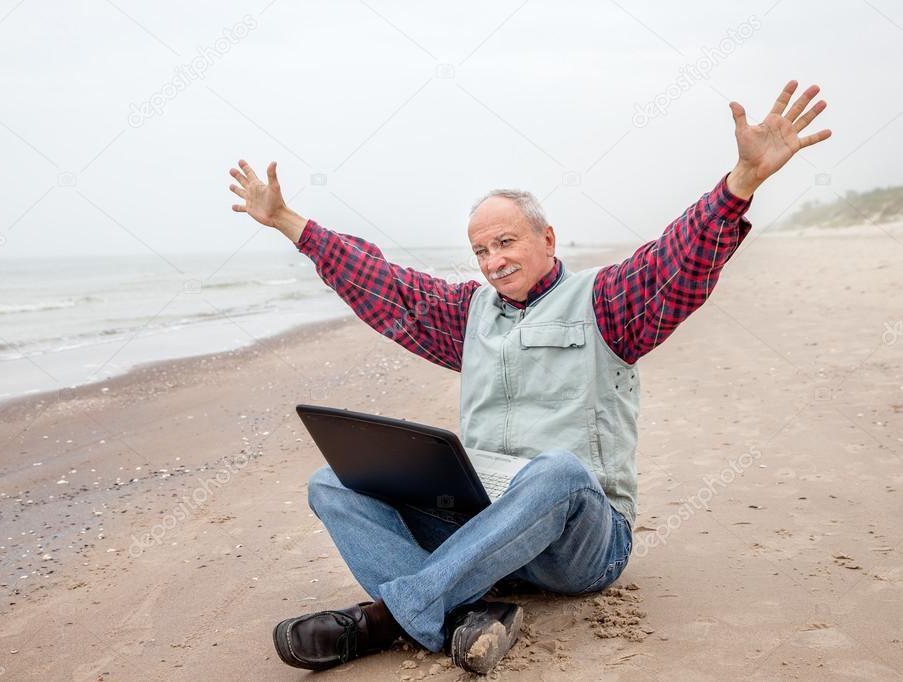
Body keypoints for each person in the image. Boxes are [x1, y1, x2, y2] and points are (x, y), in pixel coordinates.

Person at [228, 80, 831, 674]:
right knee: (331, 483)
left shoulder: (606, 302)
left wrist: (742, 183)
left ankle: (388, 617)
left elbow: (679, 257)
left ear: (547, 238)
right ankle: (471, 610)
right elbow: (382, 283)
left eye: (506, 242)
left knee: (560, 471)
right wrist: (286, 220)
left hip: (581, 543)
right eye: (482, 251)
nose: (494, 261)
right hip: (482, 526)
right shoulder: (467, 314)